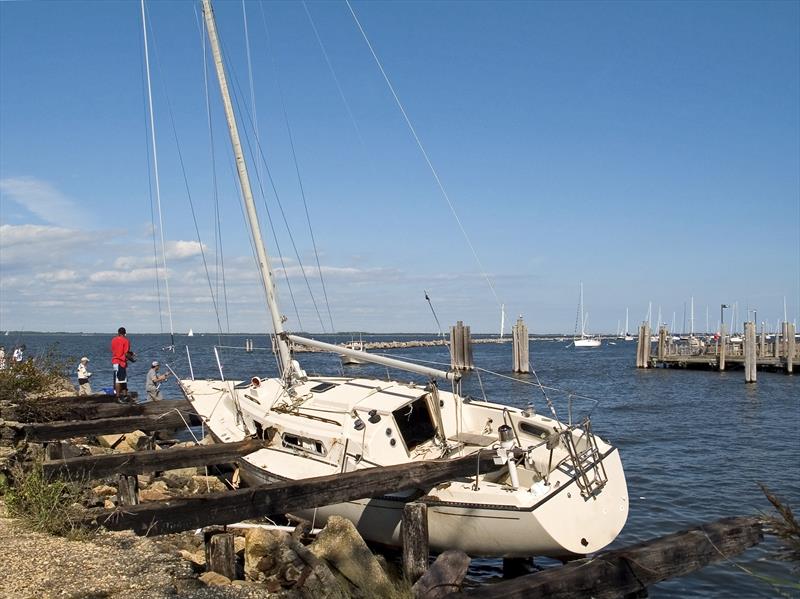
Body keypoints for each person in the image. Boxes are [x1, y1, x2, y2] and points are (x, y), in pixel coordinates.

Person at [111, 327, 131, 401]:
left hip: (115, 362)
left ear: (118, 333)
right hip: (121, 363)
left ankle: (124, 395)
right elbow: (126, 353)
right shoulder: (126, 341)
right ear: (125, 333)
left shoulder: (113, 340)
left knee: (121, 379)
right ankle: (118, 397)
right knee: (119, 380)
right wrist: (132, 359)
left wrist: (130, 353)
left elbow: (115, 350)